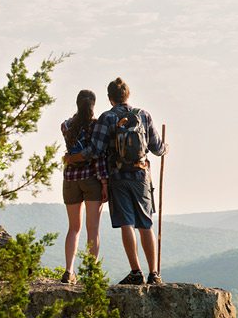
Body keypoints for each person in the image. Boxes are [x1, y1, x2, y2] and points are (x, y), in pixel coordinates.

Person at [68, 77, 167, 285]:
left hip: (118, 176)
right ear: (127, 95)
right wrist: (167, 148)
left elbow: (94, 151)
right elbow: (157, 148)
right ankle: (154, 273)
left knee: (127, 223)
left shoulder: (107, 118)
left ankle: (136, 271)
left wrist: (73, 158)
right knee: (145, 223)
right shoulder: (143, 115)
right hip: (141, 176)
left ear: (110, 97)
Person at [60, 89, 108, 284]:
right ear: (93, 105)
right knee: (93, 229)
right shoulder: (96, 126)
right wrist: (104, 182)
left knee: (73, 228)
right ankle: (90, 273)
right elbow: (98, 155)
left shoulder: (65, 126)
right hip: (91, 179)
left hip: (70, 177)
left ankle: (69, 271)